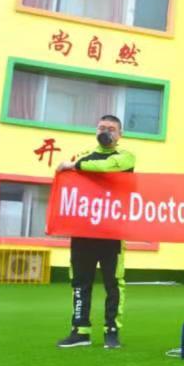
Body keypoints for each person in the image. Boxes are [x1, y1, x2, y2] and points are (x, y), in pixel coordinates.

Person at [55, 115, 135, 349]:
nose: (105, 132)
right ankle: (80, 331)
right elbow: (67, 181)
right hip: (83, 232)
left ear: (120, 134)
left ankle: (112, 331)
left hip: (112, 232)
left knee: (114, 283)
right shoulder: (82, 156)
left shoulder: (125, 157)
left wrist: (74, 166)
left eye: (111, 129)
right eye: (101, 128)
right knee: (80, 282)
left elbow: (106, 167)